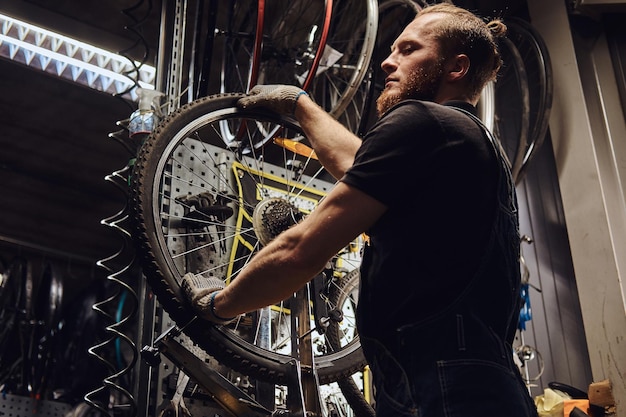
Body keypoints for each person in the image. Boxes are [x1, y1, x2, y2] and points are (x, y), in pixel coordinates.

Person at [182, 3, 539, 416]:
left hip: (440, 390)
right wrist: (301, 106)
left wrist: (220, 306)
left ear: (455, 68)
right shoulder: (470, 142)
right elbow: (363, 168)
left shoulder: (420, 121)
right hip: (483, 384)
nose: (387, 61)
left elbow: (300, 250)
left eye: (409, 50)